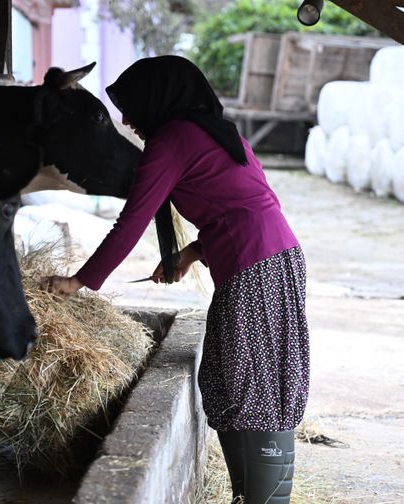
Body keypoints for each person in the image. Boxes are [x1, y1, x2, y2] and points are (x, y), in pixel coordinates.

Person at [40, 55, 309, 504]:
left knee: (256, 386)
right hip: (270, 258)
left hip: (254, 266)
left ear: (157, 99)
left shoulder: (173, 139)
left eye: (131, 106)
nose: (127, 120)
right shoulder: (217, 134)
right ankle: (246, 496)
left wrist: (79, 281)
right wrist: (190, 253)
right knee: (228, 383)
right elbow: (241, 205)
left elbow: (130, 222)